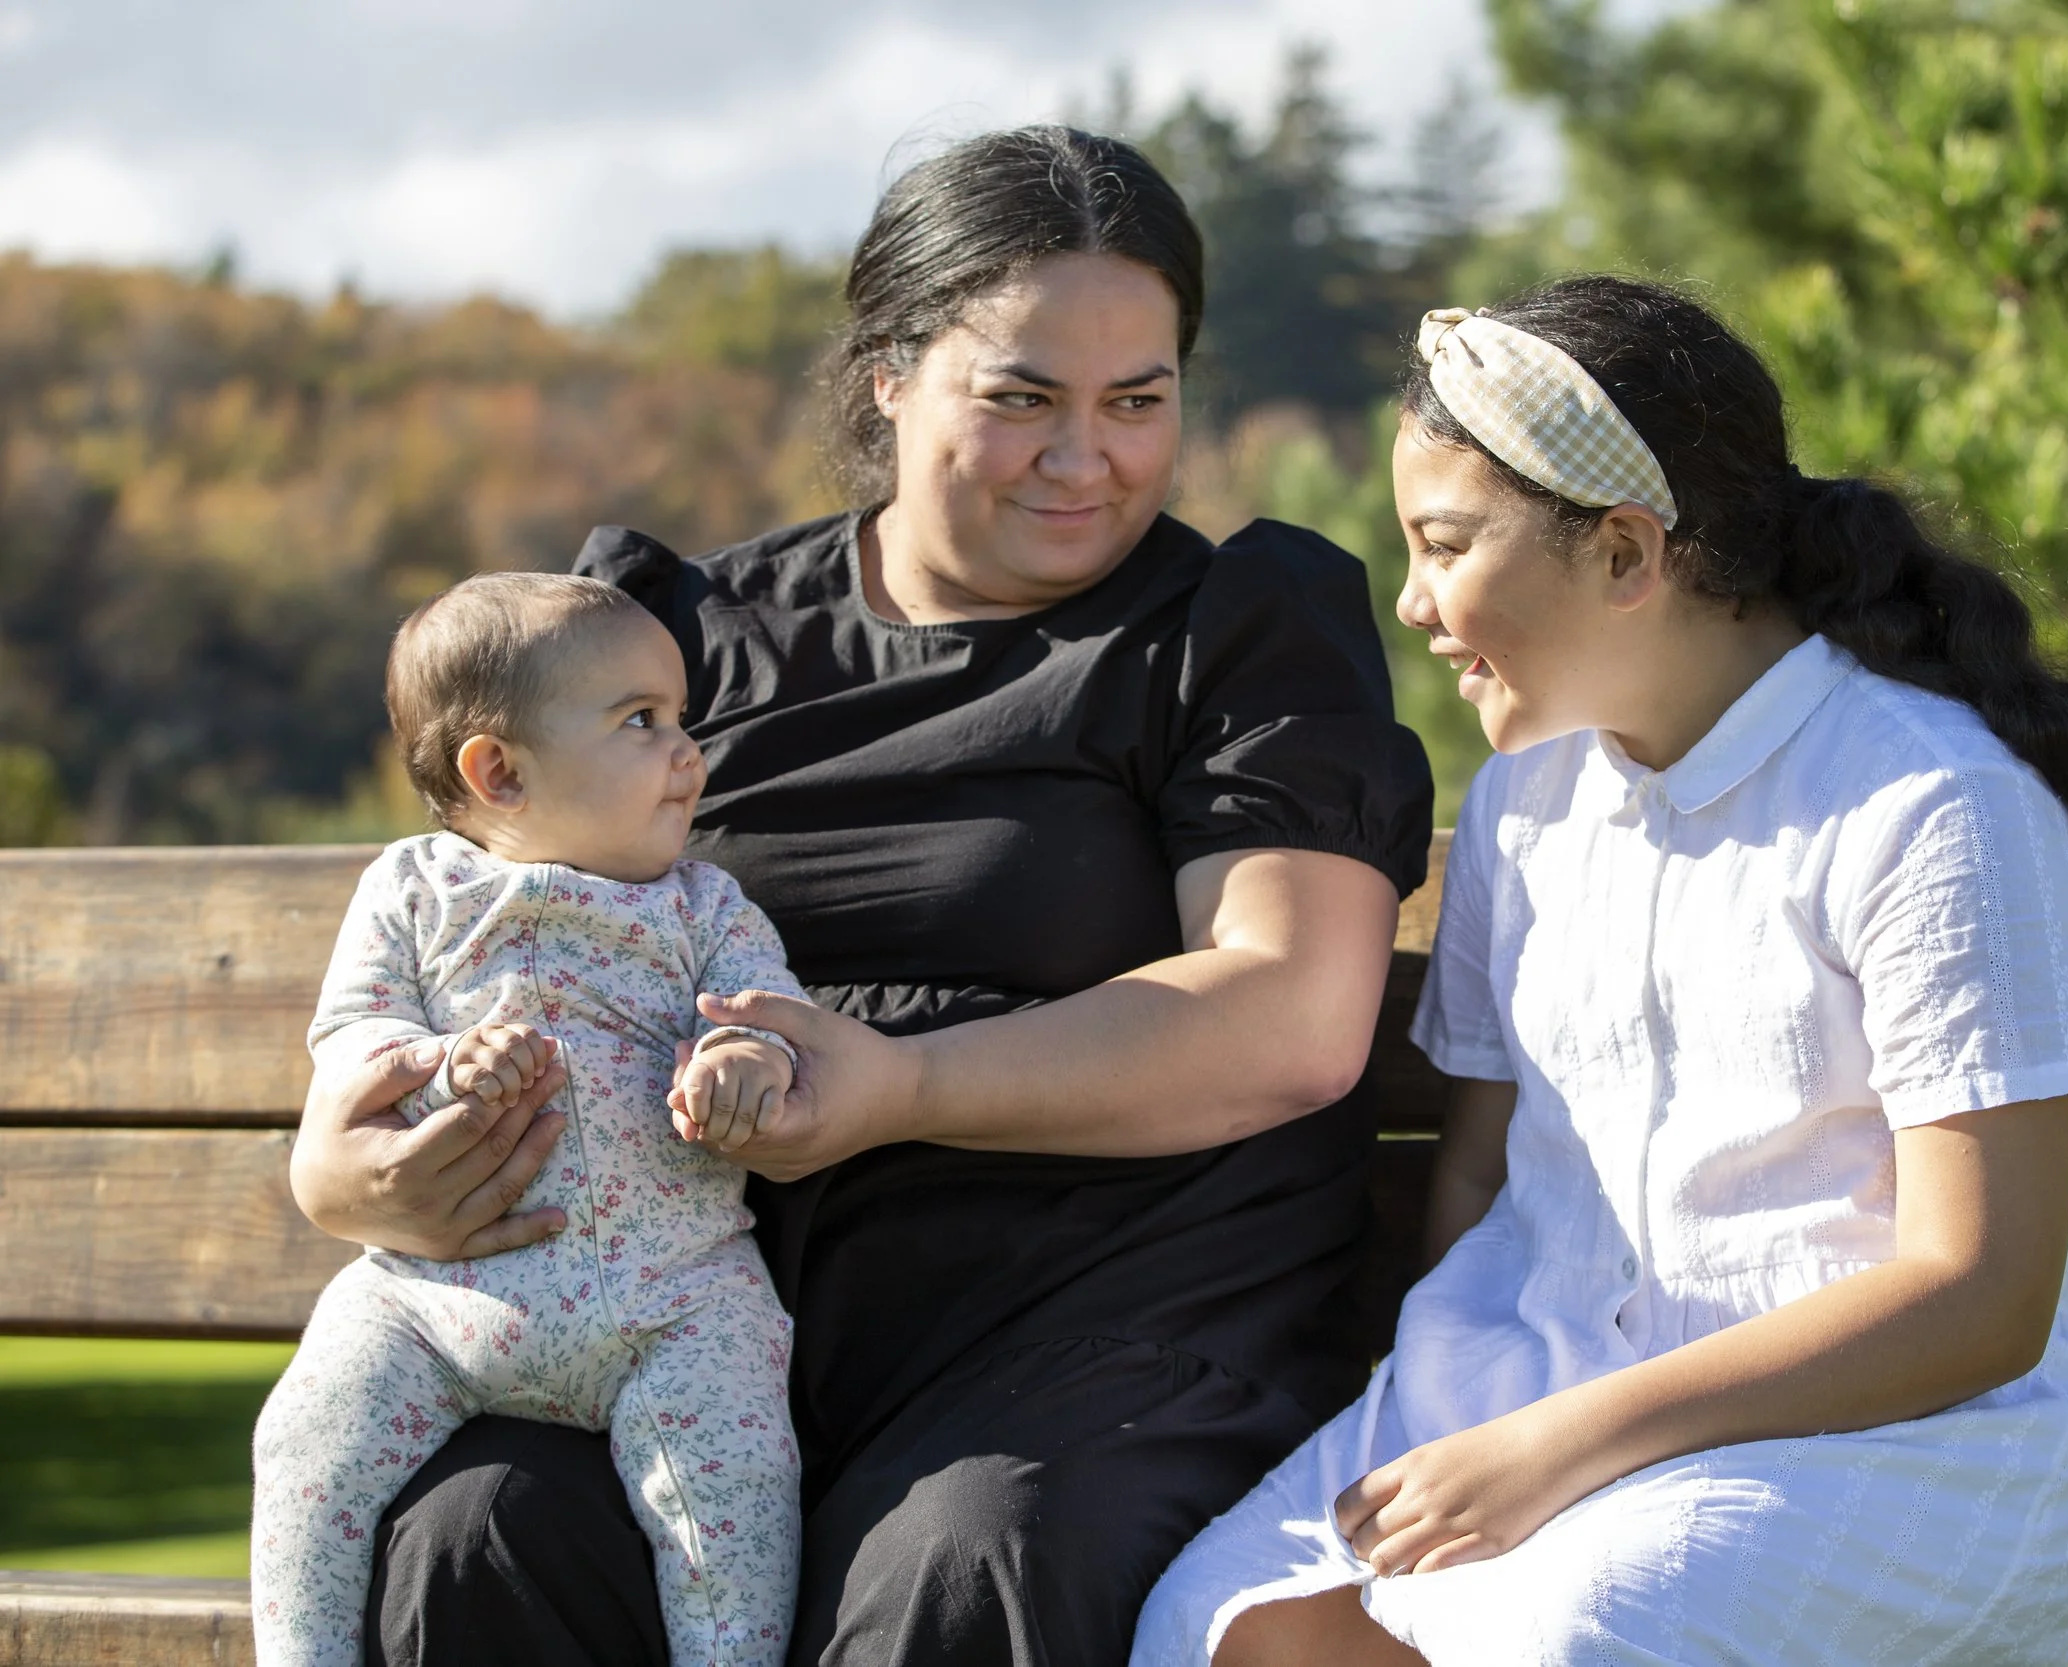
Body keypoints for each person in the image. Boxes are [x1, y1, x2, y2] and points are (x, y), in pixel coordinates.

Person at [282, 125, 1436, 1667]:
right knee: (480, 1525)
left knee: (971, 1561)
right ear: (889, 370)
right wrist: (357, 1173)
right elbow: (472, 942)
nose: (1083, 456)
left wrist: (900, 1082)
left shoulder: (1231, 637)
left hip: (1101, 1334)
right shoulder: (677, 639)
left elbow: (1288, 1013)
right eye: (1020, 396)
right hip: (694, 1327)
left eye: (1137, 401)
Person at [1134, 277, 2068, 1666]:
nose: (1414, 600)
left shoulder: (1931, 808)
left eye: (1445, 544)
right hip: (1542, 1384)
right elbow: (1480, 1175)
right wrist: (1477, 1411)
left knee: (1584, 1631)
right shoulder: (1528, 802)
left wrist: (1559, 1447)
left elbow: (1978, 1292)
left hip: (1910, 1441)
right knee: (1224, 1627)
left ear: (1627, 553)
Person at [255, 572, 808, 1667]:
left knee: (734, 1481)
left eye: (684, 718)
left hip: (675, 1294)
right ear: (497, 770)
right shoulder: (412, 888)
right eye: (642, 721)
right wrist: (438, 1059)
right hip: (433, 1299)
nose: (687, 749)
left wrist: (744, 1057)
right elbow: (352, 1031)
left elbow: (772, 1015)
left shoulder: (703, 905)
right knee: (307, 1440)